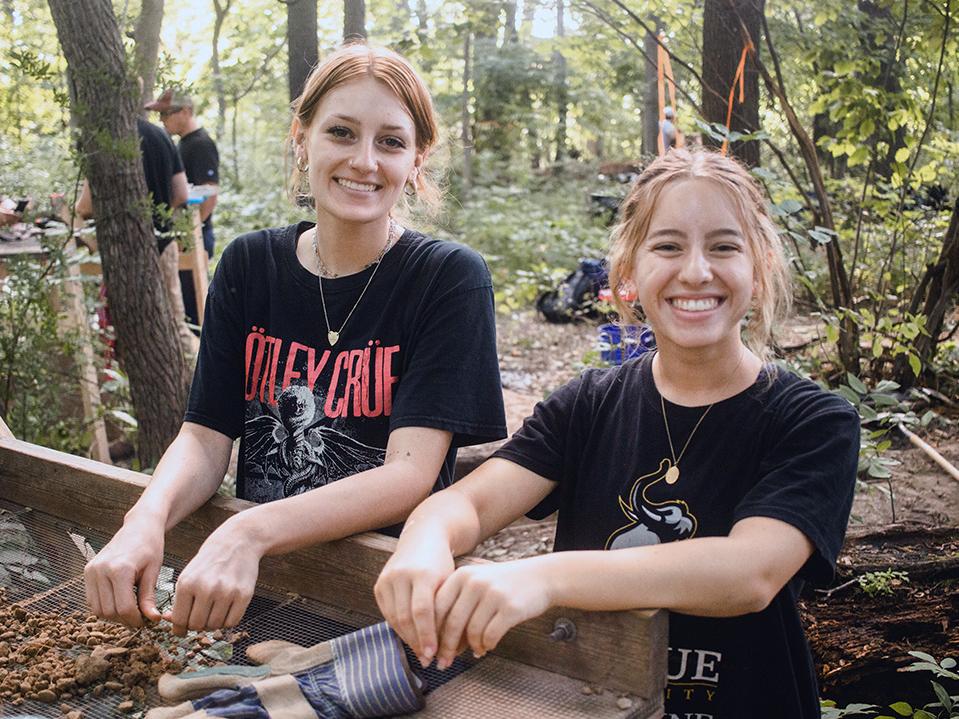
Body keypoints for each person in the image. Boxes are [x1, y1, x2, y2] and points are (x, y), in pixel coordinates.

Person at [375, 148, 860, 718]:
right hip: (595, 703)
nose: (696, 271)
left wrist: (543, 578)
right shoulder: (589, 404)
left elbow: (748, 573)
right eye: (668, 246)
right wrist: (423, 542)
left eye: (724, 247)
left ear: (761, 267)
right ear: (629, 269)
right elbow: (469, 504)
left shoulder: (813, 421)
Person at [84, 43, 506, 638]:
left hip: (384, 611)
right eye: (341, 132)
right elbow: (204, 437)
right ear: (302, 138)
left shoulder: (447, 278)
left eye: (390, 141)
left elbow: (408, 475)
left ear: (417, 160)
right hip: (259, 598)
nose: (364, 161)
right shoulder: (249, 265)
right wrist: (145, 519)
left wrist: (247, 531)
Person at [75, 116, 197, 355]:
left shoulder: (101, 138)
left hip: (121, 251)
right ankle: (196, 369)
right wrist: (158, 219)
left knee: (124, 329)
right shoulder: (161, 135)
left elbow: (85, 206)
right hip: (164, 243)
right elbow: (182, 194)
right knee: (175, 324)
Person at [146, 89, 220, 326]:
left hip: (194, 237)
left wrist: (187, 236)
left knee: (193, 302)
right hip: (181, 236)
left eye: (167, 113)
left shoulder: (201, 145)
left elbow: (210, 195)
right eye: (160, 114)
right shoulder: (181, 145)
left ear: (186, 111)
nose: (162, 120)